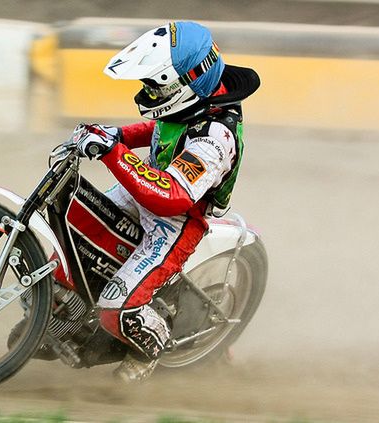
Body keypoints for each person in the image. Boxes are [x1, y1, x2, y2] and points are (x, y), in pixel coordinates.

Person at [72, 21, 260, 382]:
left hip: (176, 218)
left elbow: (169, 198)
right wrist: (117, 135)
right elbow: (161, 129)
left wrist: (114, 153)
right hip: (149, 187)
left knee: (116, 309)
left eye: (155, 87)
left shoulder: (216, 139)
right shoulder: (190, 107)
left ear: (188, 82)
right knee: (79, 230)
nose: (148, 93)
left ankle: (149, 350)